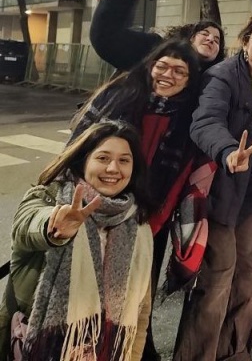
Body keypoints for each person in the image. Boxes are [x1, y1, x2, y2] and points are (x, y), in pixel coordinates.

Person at [70, 39, 203, 361]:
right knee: (90, 284)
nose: (168, 75)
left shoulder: (188, 117)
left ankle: (133, 347)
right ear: (150, 66)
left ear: (189, 80)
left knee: (138, 291)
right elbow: (76, 150)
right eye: (162, 66)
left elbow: (181, 176)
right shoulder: (118, 96)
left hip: (149, 215)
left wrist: (153, 221)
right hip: (96, 208)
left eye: (179, 71)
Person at [172, 9, 252, 361]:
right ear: (245, 40)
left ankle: (235, 352)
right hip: (221, 183)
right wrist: (227, 151)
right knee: (218, 276)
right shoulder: (221, 75)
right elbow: (204, 121)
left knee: (249, 275)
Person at [0, 120, 155, 361]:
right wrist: (54, 227)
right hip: (37, 347)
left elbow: (140, 312)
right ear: (83, 160)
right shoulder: (49, 197)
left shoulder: (138, 224)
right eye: (103, 158)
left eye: (124, 160)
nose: (113, 168)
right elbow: (27, 225)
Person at [90, 0, 225, 72]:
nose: (210, 39)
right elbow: (105, 38)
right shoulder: (156, 49)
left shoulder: (219, 81)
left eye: (217, 40)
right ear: (190, 37)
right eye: (205, 34)